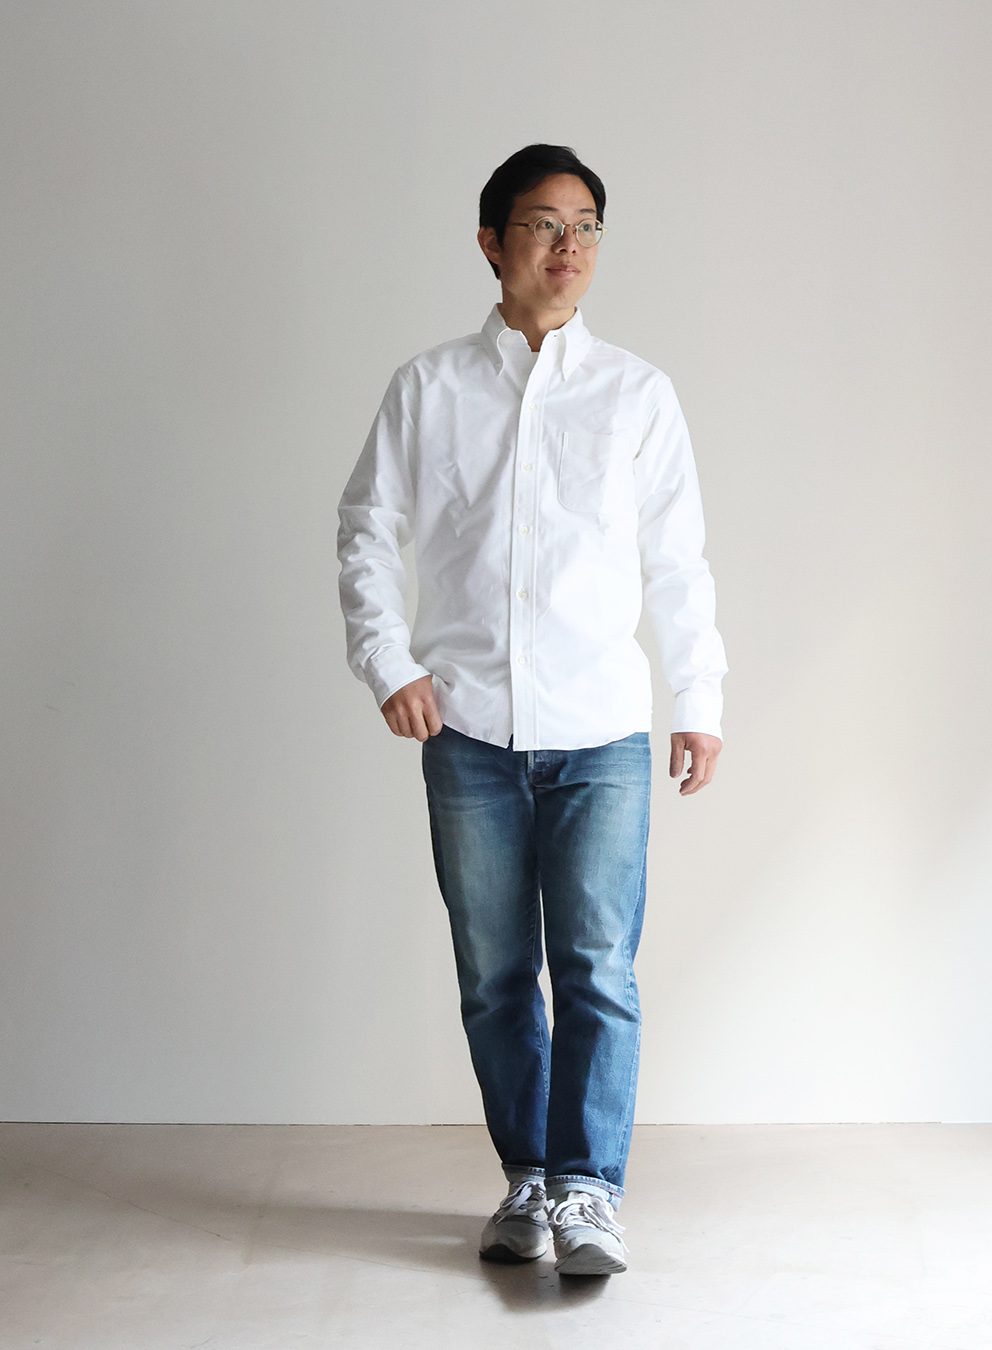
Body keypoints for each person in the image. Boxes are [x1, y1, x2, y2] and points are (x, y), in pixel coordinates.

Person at [337, 144, 727, 1276]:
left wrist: (699, 696)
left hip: (601, 730)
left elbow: (678, 560)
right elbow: (367, 528)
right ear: (491, 242)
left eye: (588, 225)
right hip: (467, 730)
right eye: (545, 224)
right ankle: (529, 1178)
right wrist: (388, 661)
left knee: (599, 967)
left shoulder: (638, 395)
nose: (570, 246)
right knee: (497, 974)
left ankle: (589, 1189)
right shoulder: (428, 389)